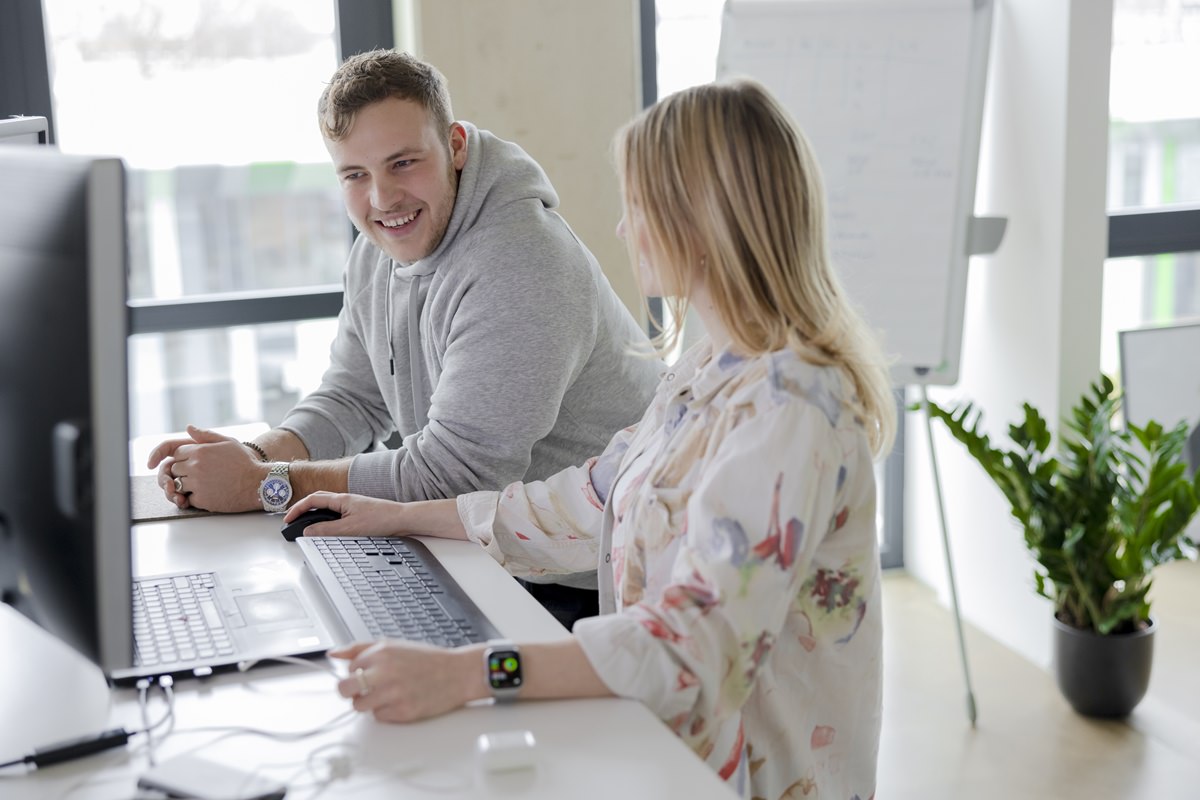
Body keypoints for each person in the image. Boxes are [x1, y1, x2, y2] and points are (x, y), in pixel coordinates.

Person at [282, 79, 898, 799]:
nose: (622, 229)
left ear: (702, 221)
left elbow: (689, 648)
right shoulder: (710, 365)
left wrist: (464, 675)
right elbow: (585, 498)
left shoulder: (793, 409)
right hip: (667, 750)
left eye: (638, 208)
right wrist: (396, 516)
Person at [146, 50, 661, 628]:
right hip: (481, 548)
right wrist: (257, 456)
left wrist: (262, 486)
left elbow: (456, 475)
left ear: (456, 146)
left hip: (593, 580)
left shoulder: (522, 262)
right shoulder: (378, 249)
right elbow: (352, 397)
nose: (383, 199)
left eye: (404, 163)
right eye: (355, 175)